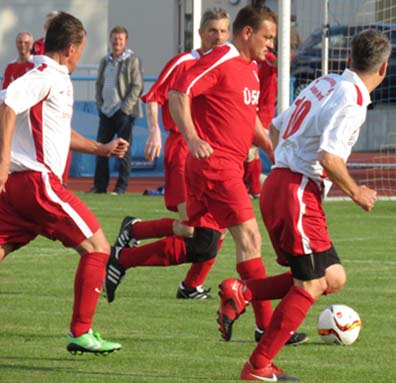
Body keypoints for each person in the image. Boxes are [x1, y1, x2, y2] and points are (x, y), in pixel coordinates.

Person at [104, 5, 306, 346]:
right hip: (215, 166)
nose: (270, 45)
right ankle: (266, 328)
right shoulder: (219, 60)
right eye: (267, 37)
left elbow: (248, 121)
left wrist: (274, 148)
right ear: (247, 33)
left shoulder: (251, 69)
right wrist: (193, 137)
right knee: (249, 238)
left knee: (200, 243)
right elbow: (176, 93)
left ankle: (124, 257)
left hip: (225, 167)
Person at [217, 28, 390, 381]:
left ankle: (244, 291)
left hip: (283, 185)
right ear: (383, 69)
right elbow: (328, 157)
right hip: (297, 191)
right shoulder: (353, 101)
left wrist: (287, 162)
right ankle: (258, 366)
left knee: (332, 277)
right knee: (309, 285)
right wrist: (357, 192)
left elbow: (277, 127)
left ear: (347, 59)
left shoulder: (325, 82)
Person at [0, 12, 129, 355]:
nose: (81, 55)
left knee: (4, 247)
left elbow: (58, 131)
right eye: (81, 48)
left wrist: (101, 149)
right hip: (37, 183)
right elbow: (9, 104)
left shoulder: (50, 77)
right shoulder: (46, 74)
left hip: (20, 188)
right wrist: (1, 162)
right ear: (71, 48)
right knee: (98, 248)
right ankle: (81, 332)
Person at [124, 7, 230, 300]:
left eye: (223, 31)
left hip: (210, 156)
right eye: (212, 31)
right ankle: (131, 240)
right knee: (193, 231)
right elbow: (155, 95)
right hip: (183, 151)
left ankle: (190, 285)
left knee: (217, 228)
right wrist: (155, 131)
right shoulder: (185, 61)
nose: (218, 37)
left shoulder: (227, 64)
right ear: (200, 33)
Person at [88, 26, 143, 195]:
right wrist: (100, 104)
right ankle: (100, 186)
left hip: (123, 112)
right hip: (106, 111)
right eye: (114, 38)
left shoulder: (132, 60)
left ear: (125, 41)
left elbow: (137, 85)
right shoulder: (105, 60)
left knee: (122, 151)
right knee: (101, 149)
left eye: (120, 39)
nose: (117, 42)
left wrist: (125, 108)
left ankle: (121, 187)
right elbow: (99, 84)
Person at [243, 50, 277, 199]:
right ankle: (253, 186)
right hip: (251, 108)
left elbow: (279, 62)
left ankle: (253, 187)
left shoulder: (267, 58)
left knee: (250, 149)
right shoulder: (249, 61)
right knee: (250, 151)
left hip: (263, 112)